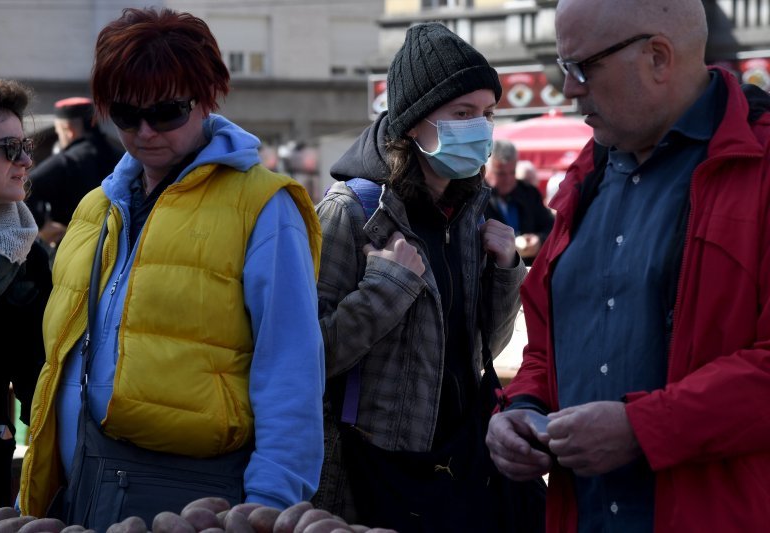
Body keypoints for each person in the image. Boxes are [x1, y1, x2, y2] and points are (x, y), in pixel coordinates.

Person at [19, 7, 325, 523]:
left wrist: (269, 507)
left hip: (201, 497)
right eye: (124, 114)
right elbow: (63, 362)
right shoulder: (98, 206)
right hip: (81, 490)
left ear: (205, 99)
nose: (144, 131)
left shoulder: (265, 206)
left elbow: (290, 366)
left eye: (165, 112)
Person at [486, 0, 770, 531]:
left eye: (581, 67)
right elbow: (549, 345)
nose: (569, 89)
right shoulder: (585, 176)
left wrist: (643, 428)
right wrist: (520, 409)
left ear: (658, 58)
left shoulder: (759, 165)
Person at [313, 22, 531, 532]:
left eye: (487, 114)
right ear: (414, 122)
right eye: (462, 113)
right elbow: (309, 355)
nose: (480, 128)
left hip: (456, 465)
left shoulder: (471, 210)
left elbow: (484, 351)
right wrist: (386, 291)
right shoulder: (351, 213)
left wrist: (505, 274)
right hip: (373, 472)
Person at [0, 73, 51, 509]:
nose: (25, 161)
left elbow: (39, 375)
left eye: (26, 147)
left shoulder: (26, 255)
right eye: (9, 148)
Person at [26, 97, 123, 249]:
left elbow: (26, 184)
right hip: (120, 247)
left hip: (72, 246)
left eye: (59, 132)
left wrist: (41, 224)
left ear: (69, 130)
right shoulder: (122, 158)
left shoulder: (66, 161)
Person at [484, 139, 554, 265]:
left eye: (512, 172)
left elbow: (551, 227)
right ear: (486, 171)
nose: (508, 179)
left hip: (527, 269)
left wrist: (539, 241)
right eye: (501, 174)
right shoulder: (476, 198)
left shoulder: (529, 194)